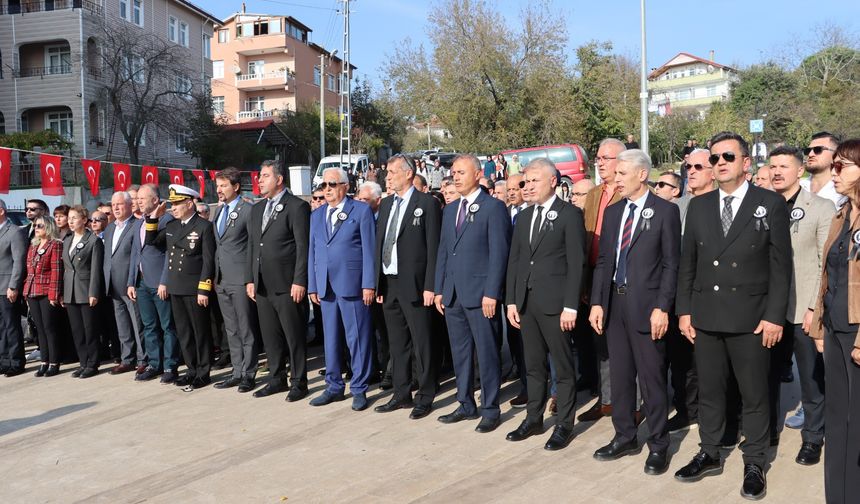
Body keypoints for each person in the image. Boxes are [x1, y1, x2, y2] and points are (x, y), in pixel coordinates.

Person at [674, 131, 791, 500]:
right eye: (714, 158)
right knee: (710, 390)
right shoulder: (700, 206)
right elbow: (688, 264)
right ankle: (709, 451)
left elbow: (781, 267)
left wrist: (774, 316)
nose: (719, 163)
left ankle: (754, 461)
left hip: (751, 318)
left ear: (746, 163)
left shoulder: (769, 203)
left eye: (727, 156)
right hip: (706, 315)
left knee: (754, 394)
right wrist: (684, 310)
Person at [589, 149, 680, 474]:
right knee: (621, 376)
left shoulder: (665, 211)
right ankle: (625, 436)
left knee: (652, 379)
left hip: (648, 307)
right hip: (616, 304)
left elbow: (671, 264)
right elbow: (604, 261)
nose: (616, 179)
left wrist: (662, 307)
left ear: (642, 175)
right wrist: (598, 302)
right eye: (615, 173)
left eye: (622, 173)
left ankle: (658, 444)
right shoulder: (614, 212)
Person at [504, 158, 585, 450]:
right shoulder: (525, 216)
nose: (528, 186)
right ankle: (533, 418)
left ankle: (564, 423)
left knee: (562, 367)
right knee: (534, 365)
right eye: (526, 181)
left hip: (556, 304)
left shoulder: (569, 214)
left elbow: (576, 263)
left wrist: (571, 306)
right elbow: (515, 261)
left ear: (553, 181)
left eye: (534, 180)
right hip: (527, 303)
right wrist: (511, 300)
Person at [768, 145, 834, 466]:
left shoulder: (820, 207)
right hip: (767, 311)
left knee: (810, 379)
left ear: (799, 171)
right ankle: (766, 431)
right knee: (765, 377)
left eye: (784, 166)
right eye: (773, 166)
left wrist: (813, 308)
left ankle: (813, 437)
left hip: (802, 309)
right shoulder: (761, 206)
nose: (777, 172)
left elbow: (824, 263)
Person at [434, 154, 511, 433]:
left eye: (461, 172)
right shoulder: (450, 209)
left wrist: (492, 292)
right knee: (460, 352)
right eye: (453, 173)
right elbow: (444, 251)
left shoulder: (493, 208)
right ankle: (465, 402)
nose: (455, 177)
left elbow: (499, 254)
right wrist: (440, 288)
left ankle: (490, 408)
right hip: (453, 294)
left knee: (487, 353)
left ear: (478, 174)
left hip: (481, 296)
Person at [809, 138, 860, 504]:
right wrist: (819, 325)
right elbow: (827, 274)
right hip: (835, 328)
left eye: (842, 166)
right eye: (834, 165)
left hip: (857, 333)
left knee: (857, 424)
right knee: (837, 419)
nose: (834, 172)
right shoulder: (841, 215)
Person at [373, 155, 441, 419]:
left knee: (422, 342)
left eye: (392, 172)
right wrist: (378, 283)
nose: (387, 177)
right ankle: (401, 393)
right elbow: (381, 243)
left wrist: (430, 285)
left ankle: (425, 394)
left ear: (408, 174)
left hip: (416, 284)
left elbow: (433, 248)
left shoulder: (426, 204)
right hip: (389, 283)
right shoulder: (387, 204)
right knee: (397, 342)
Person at [308, 167, 376, 411]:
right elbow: (312, 252)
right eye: (324, 185)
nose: (327, 189)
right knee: (331, 339)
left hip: (352, 284)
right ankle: (334, 386)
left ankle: (359, 388)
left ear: (345, 186)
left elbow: (370, 250)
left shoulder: (361, 211)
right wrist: (312, 284)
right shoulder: (317, 215)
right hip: (325, 286)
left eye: (332, 184)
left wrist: (368, 284)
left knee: (357, 338)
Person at [246, 161, 310, 400]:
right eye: (259, 176)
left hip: (287, 283)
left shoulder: (297, 207)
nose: (260, 180)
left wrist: (300, 280)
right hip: (262, 284)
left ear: (279, 179)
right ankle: (276, 379)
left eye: (265, 176)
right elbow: (253, 246)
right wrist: (250, 279)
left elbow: (303, 246)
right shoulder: (257, 209)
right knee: (271, 337)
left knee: (294, 336)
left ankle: (299, 382)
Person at [145, 184, 216, 392]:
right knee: (184, 333)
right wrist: (154, 217)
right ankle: (191, 370)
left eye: (177, 204)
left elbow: (208, 261)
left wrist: (204, 288)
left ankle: (203, 372)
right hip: (176, 286)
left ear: (189, 203)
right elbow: (151, 241)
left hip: (194, 288)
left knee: (200, 332)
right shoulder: (173, 226)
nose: (173, 208)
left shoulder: (203, 226)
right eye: (172, 204)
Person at [579, 138, 626, 423]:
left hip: (622, 279)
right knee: (602, 344)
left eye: (605, 158)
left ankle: (633, 403)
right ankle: (607, 400)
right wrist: (586, 283)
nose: (599, 162)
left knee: (626, 346)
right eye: (598, 157)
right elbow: (587, 239)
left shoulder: (630, 192)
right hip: (596, 275)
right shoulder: (595, 194)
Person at [209, 169, 260, 392]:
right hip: (221, 278)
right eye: (217, 186)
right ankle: (237, 371)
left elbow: (253, 246)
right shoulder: (220, 210)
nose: (219, 190)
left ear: (236, 186)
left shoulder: (247, 210)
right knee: (231, 328)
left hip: (240, 278)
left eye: (223, 186)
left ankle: (249, 373)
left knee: (246, 327)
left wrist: (250, 279)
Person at [127, 184, 180, 383]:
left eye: (142, 198)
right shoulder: (139, 223)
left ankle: (170, 365)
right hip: (141, 282)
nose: (138, 202)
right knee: (149, 326)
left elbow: (169, 254)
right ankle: (154, 364)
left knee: (167, 326)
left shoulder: (167, 220)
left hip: (159, 282)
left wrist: (164, 281)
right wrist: (131, 282)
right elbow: (135, 254)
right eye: (137, 199)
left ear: (155, 200)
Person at [103, 192, 144, 375]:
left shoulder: (137, 225)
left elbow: (137, 256)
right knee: (122, 325)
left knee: (137, 324)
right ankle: (127, 359)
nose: (116, 208)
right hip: (113, 284)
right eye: (113, 205)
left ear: (129, 205)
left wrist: (132, 281)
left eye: (120, 204)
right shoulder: (110, 228)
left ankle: (143, 359)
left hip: (130, 283)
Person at [62, 206, 104, 378]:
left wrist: (93, 292)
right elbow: (65, 268)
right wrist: (62, 292)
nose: (70, 221)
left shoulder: (93, 241)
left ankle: (93, 364)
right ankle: (83, 362)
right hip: (70, 291)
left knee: (90, 329)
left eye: (74, 218)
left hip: (86, 290)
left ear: (84, 220)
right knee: (77, 330)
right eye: (69, 218)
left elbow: (96, 269)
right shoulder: (67, 240)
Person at [24, 215, 63, 377]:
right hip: (32, 291)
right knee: (40, 329)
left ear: (48, 227)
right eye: (35, 226)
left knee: (49, 328)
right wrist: (26, 292)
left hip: (47, 291)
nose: (36, 228)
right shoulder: (33, 246)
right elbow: (29, 271)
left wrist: (54, 294)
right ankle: (44, 361)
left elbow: (56, 271)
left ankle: (54, 362)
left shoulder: (55, 245)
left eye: (40, 225)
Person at [504, 172, 528, 406]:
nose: (512, 193)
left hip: (530, 285)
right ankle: (524, 382)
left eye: (516, 188)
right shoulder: (505, 214)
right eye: (509, 189)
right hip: (509, 286)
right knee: (515, 338)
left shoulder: (530, 214)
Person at [0, 199, 29, 376]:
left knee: (11, 326)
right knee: (1, 327)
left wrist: (14, 286)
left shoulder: (15, 232)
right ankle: (4, 361)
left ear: (1, 211)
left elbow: (18, 261)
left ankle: (16, 362)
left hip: (7, 287)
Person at [801, 131, 845, 208]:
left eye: (818, 150)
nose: (810, 154)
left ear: (836, 155)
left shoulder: (843, 193)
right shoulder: (798, 186)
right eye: (808, 151)